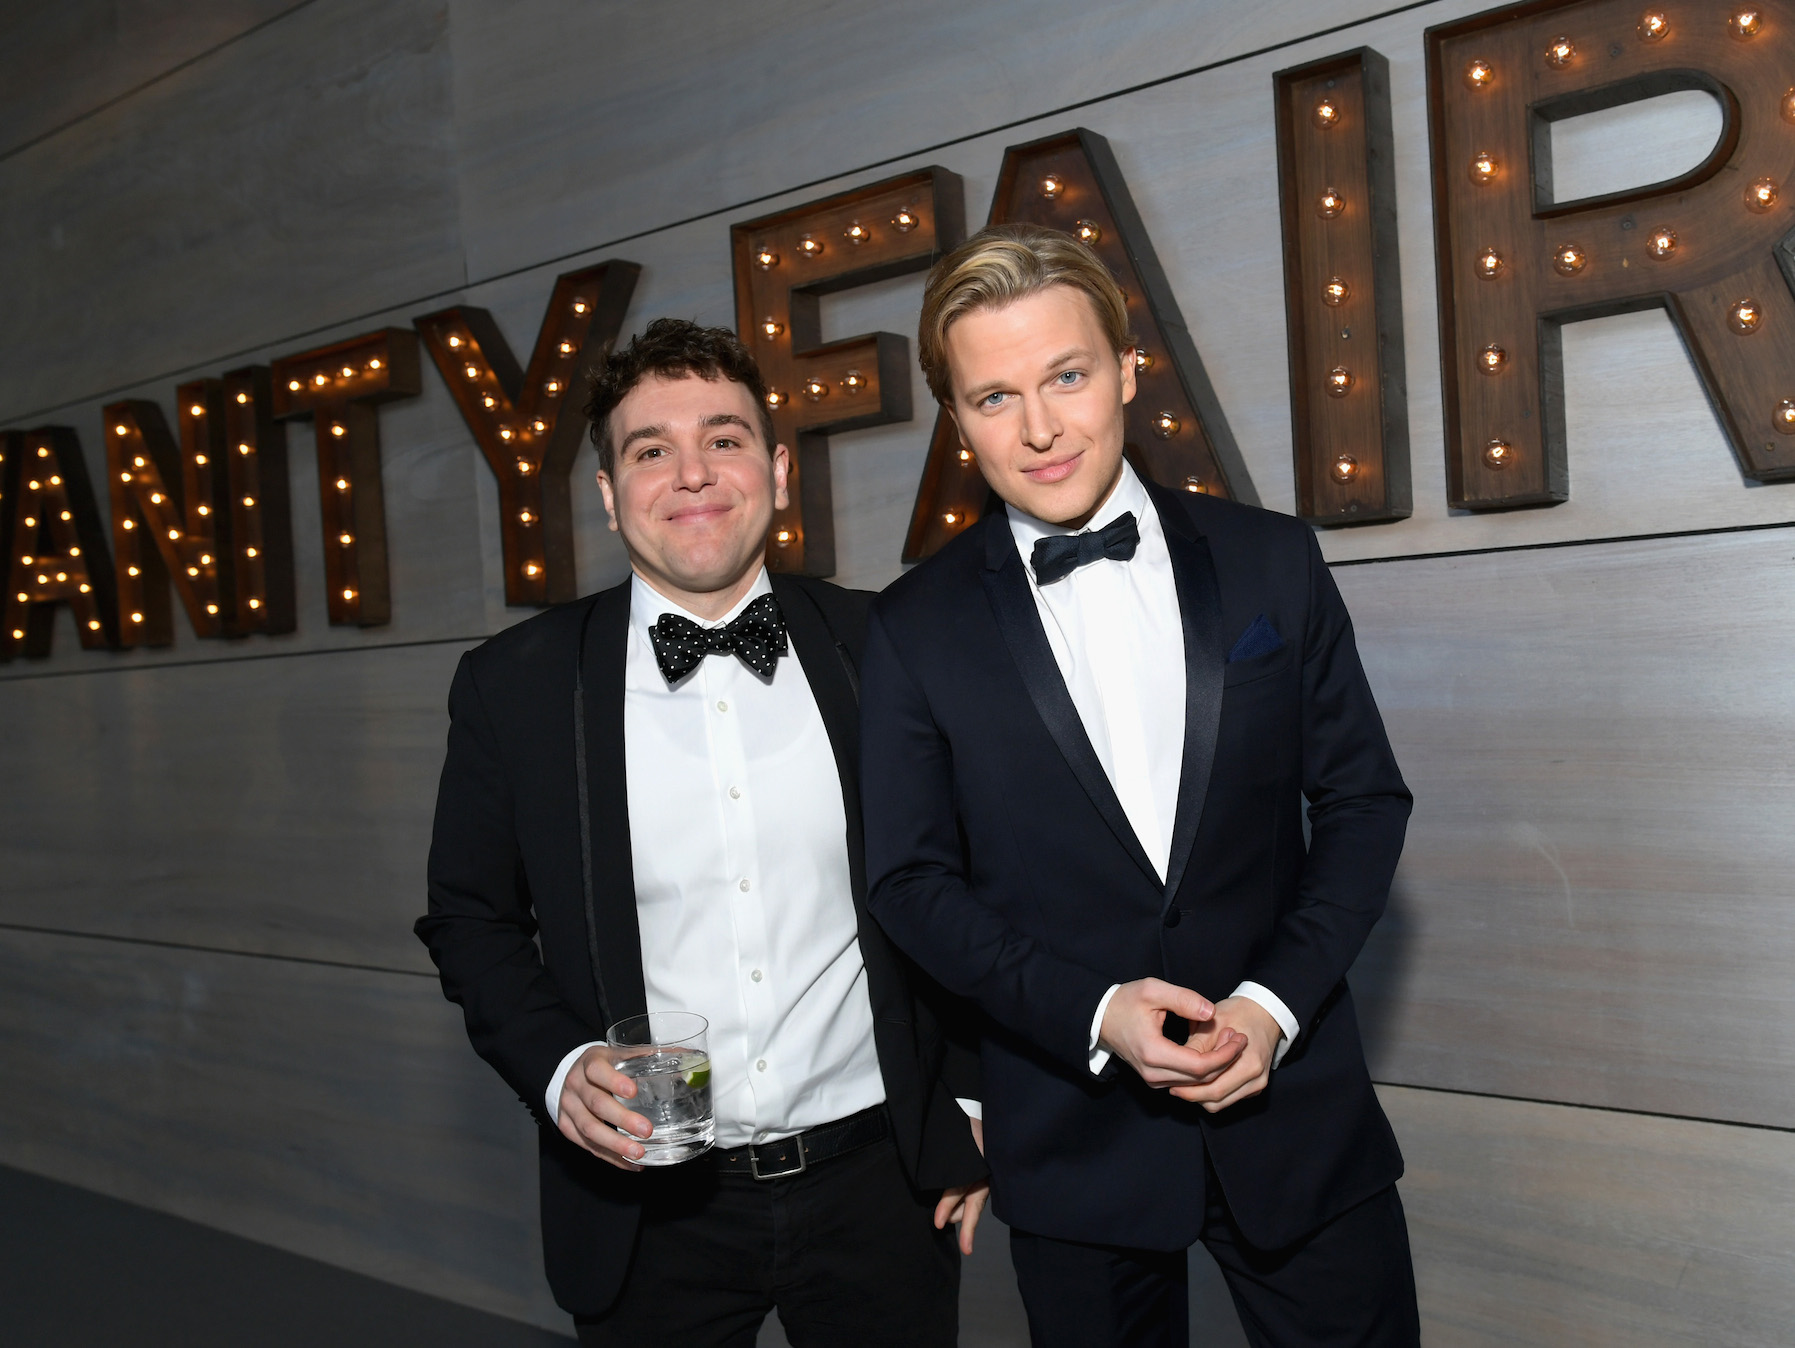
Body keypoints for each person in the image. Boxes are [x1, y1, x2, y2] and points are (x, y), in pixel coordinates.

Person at [858, 225, 1420, 1348]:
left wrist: (1270, 1008)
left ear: (1125, 367)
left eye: (1066, 375)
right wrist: (1097, 1011)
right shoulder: (911, 628)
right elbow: (912, 884)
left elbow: (1363, 804)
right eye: (993, 398)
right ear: (956, 419)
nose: (1040, 428)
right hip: (1074, 1143)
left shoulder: (1271, 560)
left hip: (1296, 1121)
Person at [417, 318, 987, 1347]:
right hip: (646, 1195)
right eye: (650, 449)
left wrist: (976, 1107)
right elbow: (469, 918)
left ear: (774, 470)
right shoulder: (516, 685)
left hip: (878, 1181)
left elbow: (969, 880)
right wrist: (556, 1067)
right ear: (606, 491)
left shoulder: (886, 644)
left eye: (723, 439)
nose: (692, 473)